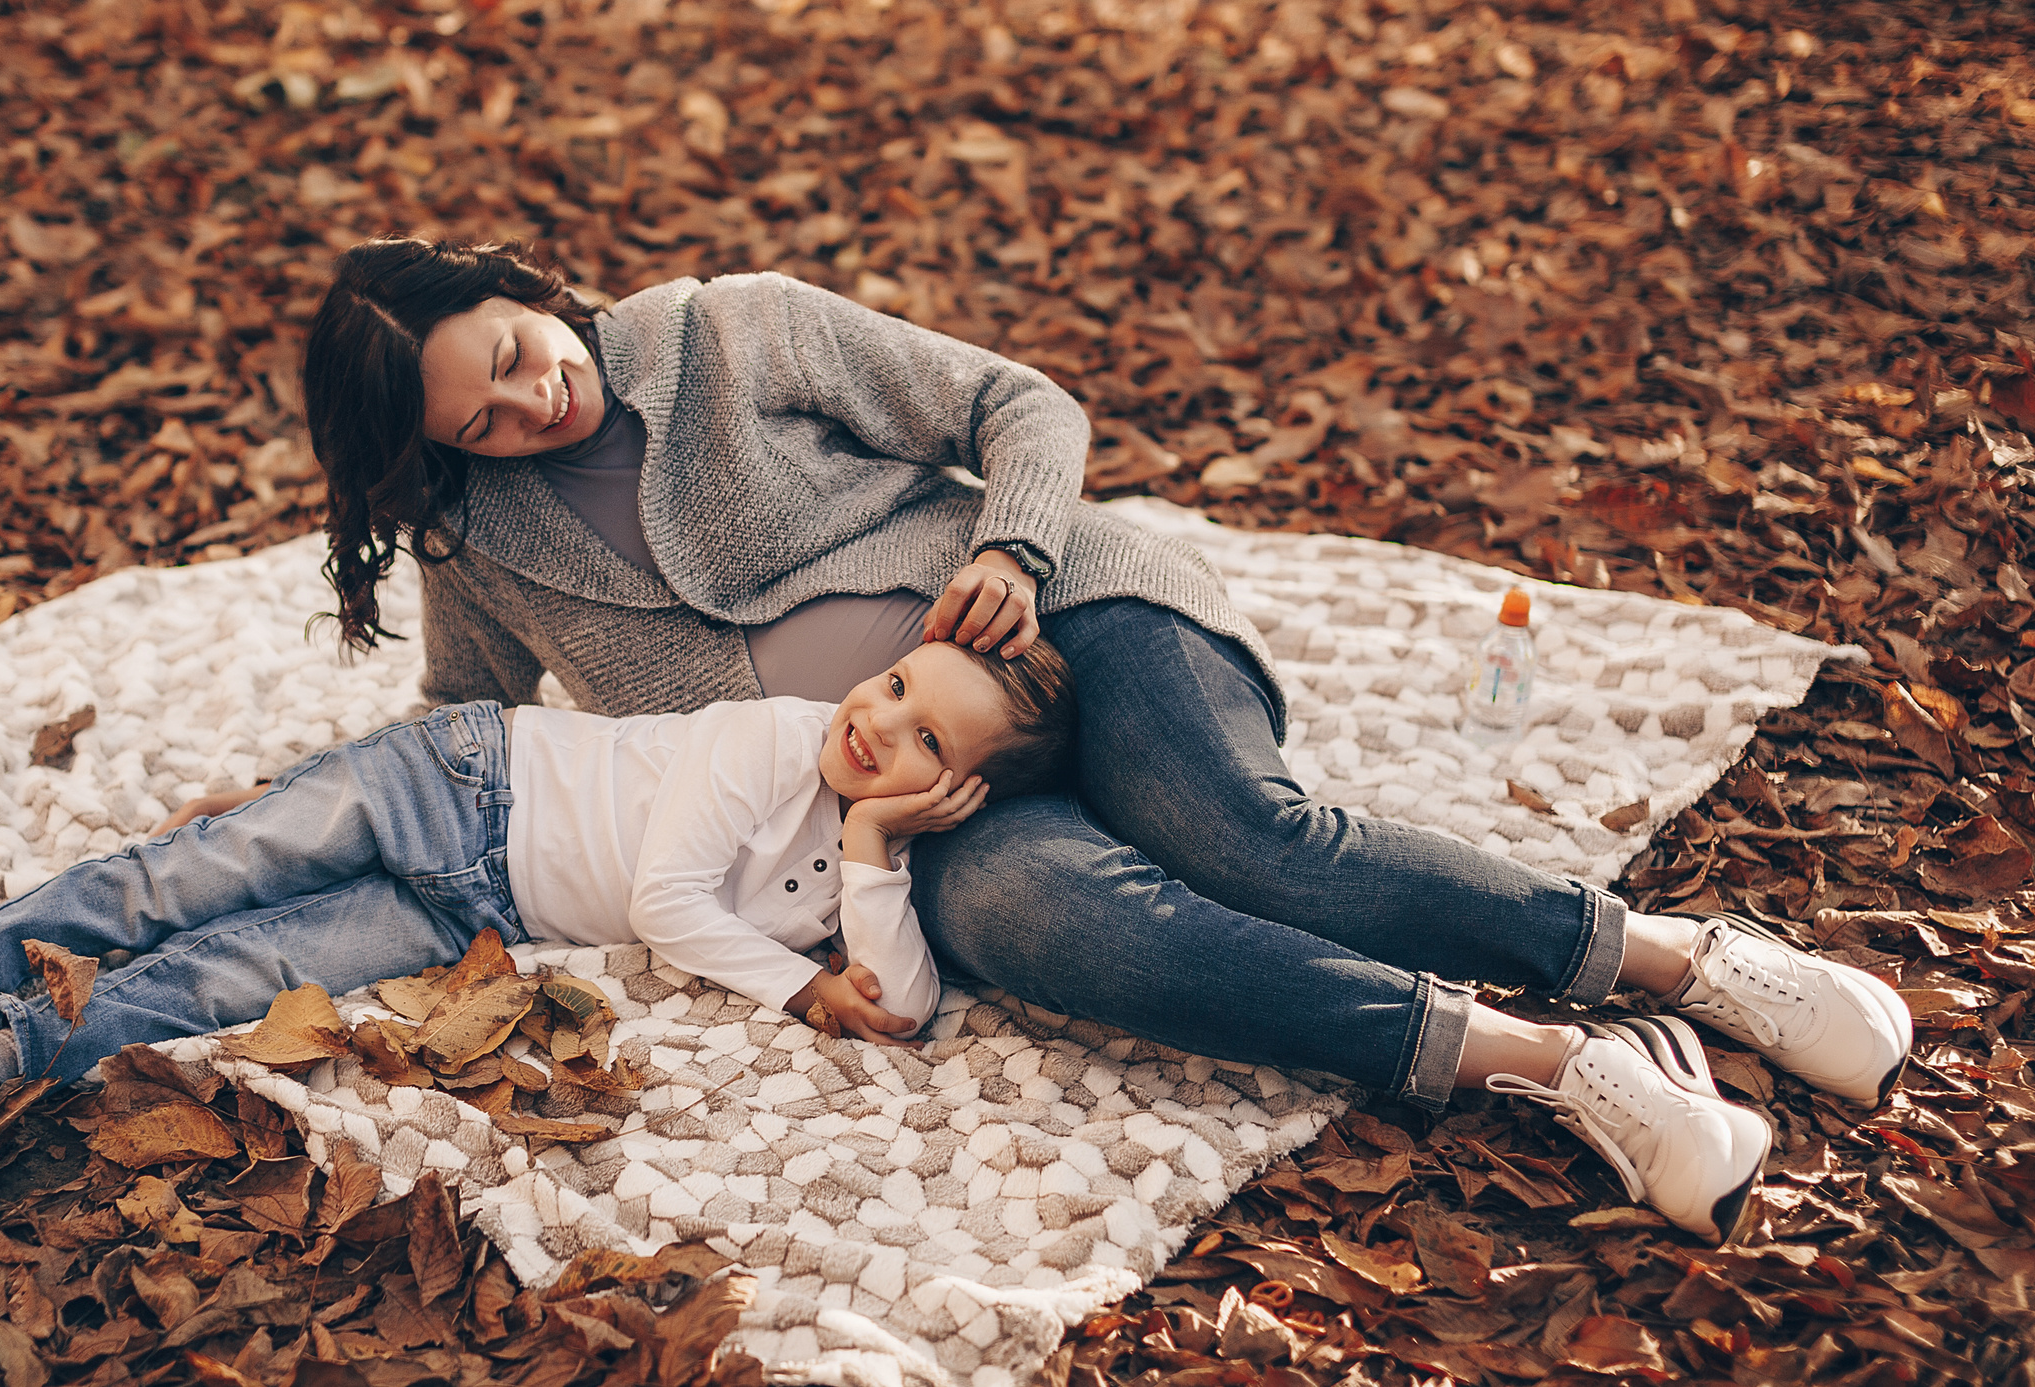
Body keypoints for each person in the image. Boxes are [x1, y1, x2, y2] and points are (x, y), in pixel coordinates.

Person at [171, 235, 1911, 1246]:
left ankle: (1675, 960)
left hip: (1059, 619)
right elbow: (465, 725)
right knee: (1036, 924)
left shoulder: (732, 331)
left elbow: (1022, 404)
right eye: (482, 421)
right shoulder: (482, 540)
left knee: (1236, 835)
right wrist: (305, 811)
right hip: (907, 793)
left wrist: (1007, 543)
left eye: (523, 358)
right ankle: (1553, 1062)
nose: (531, 407)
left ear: (531, 290)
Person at [0, 635, 1077, 1204]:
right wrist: (799, 989)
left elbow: (900, 1006)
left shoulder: (865, 844)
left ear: (953, 793)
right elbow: (667, 902)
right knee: (186, 878)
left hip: (486, 913)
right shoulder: (774, 738)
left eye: (924, 738)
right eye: (897, 681)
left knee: (231, 975)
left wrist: (870, 847)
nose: (878, 719)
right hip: (460, 780)